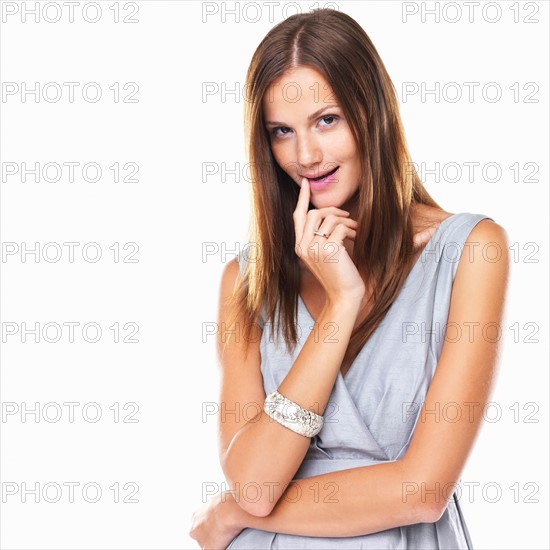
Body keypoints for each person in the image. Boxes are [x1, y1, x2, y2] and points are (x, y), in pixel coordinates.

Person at [190, 8, 509, 549]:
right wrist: (340, 305)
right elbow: (253, 481)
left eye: (327, 120)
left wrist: (230, 513)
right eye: (282, 132)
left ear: (372, 112)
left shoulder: (471, 252)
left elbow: (422, 490)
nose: (306, 156)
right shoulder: (246, 283)